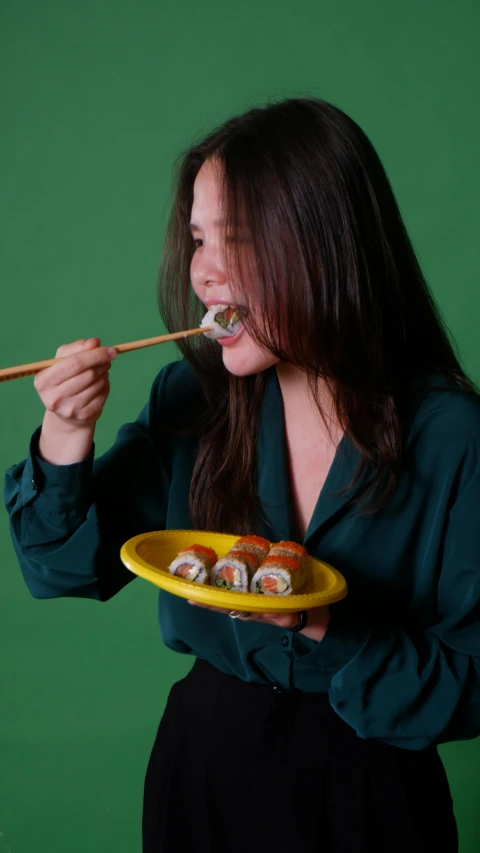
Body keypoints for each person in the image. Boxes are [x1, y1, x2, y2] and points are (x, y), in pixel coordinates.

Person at [4, 97, 480, 853]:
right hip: (203, 775)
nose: (206, 272)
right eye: (198, 238)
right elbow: (61, 567)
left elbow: (472, 678)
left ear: (328, 246)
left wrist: (319, 621)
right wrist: (66, 432)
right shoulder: (190, 400)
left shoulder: (451, 434)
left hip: (372, 792)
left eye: (240, 237)